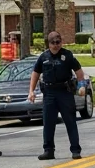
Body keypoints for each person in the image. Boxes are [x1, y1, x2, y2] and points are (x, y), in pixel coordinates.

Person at [28, 31, 87, 160]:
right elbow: (35, 74)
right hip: (49, 93)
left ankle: (75, 150)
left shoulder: (67, 55)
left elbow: (79, 72)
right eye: (53, 43)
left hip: (65, 92)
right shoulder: (43, 57)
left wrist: (81, 85)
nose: (56, 45)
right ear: (48, 44)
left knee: (70, 121)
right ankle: (48, 150)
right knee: (48, 123)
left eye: (58, 42)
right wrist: (31, 91)